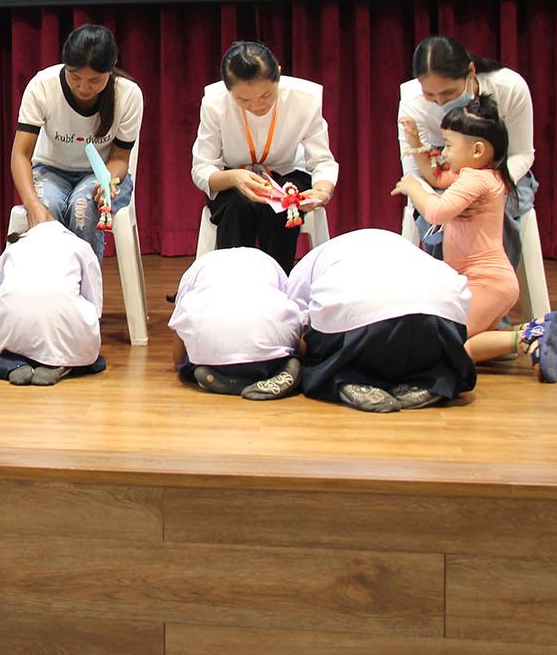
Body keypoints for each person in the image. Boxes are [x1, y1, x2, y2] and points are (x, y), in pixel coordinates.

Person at [393, 95, 557, 382]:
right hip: (487, 283)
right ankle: (537, 333)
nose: (445, 153)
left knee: (452, 348)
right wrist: (415, 142)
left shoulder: (476, 180)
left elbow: (436, 212)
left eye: (449, 145)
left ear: (477, 150)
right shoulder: (480, 175)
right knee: (469, 341)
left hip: (487, 283)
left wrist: (413, 188)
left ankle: (529, 335)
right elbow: (437, 178)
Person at [287, 229, 477, 412]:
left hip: (364, 332)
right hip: (440, 322)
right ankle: (434, 380)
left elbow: (296, 328)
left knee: (311, 349)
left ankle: (344, 377)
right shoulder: (406, 247)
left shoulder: (308, 263)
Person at [190, 41, 338, 272]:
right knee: (237, 207)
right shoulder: (214, 103)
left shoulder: (305, 99)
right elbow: (202, 167)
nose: (257, 105)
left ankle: (279, 282)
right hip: (232, 177)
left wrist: (321, 191)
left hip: (288, 172)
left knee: (280, 208)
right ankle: (234, 282)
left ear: (278, 73)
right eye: (243, 100)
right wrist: (235, 177)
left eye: (266, 95)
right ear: (228, 90)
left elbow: (321, 161)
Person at [397, 35, 537, 266]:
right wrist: (447, 201)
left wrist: (489, 188)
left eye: (449, 93)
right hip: (445, 175)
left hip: (502, 171)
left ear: (471, 71)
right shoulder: (413, 103)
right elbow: (417, 173)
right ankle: (449, 281)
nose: (440, 103)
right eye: (430, 95)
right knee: (441, 218)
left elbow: (522, 154)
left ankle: (490, 277)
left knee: (494, 211)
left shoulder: (509, 87)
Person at [11, 25, 143, 261]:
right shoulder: (43, 86)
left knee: (84, 206)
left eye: (95, 80)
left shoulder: (128, 94)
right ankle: (51, 284)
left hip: (100, 172)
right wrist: (33, 205)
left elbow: (120, 158)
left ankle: (84, 283)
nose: (83, 88)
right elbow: (20, 154)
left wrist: (107, 181)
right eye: (75, 77)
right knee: (47, 206)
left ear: (110, 70)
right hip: (50, 171)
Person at [0, 220, 106, 386]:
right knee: (85, 347)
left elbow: (4, 292)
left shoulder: (13, 248)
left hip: (14, 335)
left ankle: (12, 364)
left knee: (11, 325)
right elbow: (95, 305)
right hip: (62, 334)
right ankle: (59, 363)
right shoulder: (81, 246)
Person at [169, 247, 306, 400]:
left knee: (190, 362)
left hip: (214, 358)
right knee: (284, 329)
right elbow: (295, 308)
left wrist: (182, 366)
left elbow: (179, 335)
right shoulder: (268, 261)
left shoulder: (197, 267)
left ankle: (218, 377)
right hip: (272, 356)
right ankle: (284, 367)